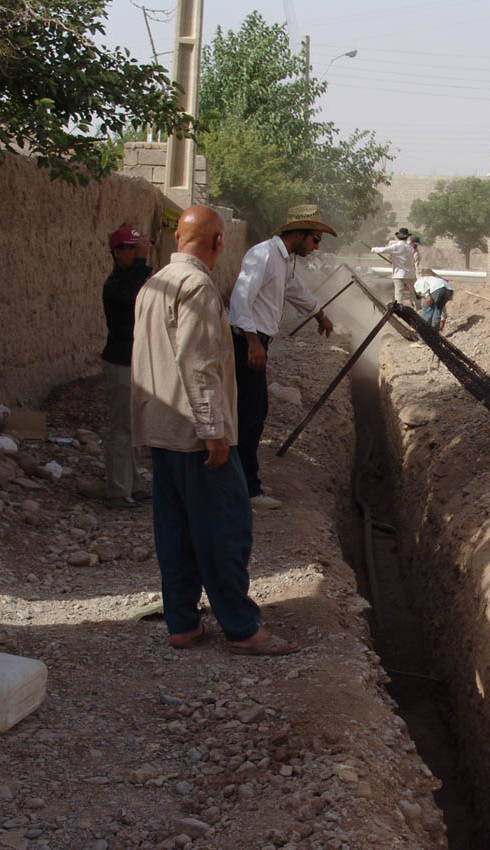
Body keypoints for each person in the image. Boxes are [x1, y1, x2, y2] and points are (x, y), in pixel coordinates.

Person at [131, 205, 296, 655]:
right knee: (224, 529)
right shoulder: (198, 287)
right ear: (219, 242)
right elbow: (196, 362)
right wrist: (214, 430)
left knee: (176, 531)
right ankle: (242, 628)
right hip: (195, 435)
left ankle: (183, 623)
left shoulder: (154, 284)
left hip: (161, 430)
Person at [228, 204, 336, 510]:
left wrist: (319, 315)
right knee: (250, 414)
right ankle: (246, 489)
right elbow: (240, 299)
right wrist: (252, 341)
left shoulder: (283, 261)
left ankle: (243, 480)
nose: (316, 247)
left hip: (256, 341)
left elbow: (295, 289)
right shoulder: (263, 255)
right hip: (245, 343)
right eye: (315, 240)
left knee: (252, 412)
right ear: (299, 234)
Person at [100, 225, 153, 509]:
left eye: (137, 248)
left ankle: (132, 485)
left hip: (134, 362)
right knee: (121, 429)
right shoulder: (116, 285)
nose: (135, 254)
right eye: (130, 249)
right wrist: (143, 262)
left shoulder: (131, 280)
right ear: (118, 253)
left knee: (134, 429)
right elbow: (132, 293)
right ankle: (118, 491)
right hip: (120, 363)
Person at [372, 227, 417, 306]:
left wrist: (373, 249)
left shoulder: (396, 247)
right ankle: (418, 307)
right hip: (410, 273)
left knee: (399, 294)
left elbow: (383, 250)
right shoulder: (410, 248)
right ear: (407, 237)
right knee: (413, 293)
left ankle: (398, 308)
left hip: (399, 274)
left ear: (398, 237)